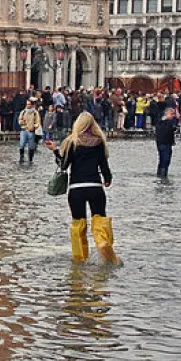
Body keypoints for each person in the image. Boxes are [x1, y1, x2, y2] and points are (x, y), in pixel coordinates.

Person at [46, 113, 117, 265]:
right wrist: (107, 179)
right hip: (95, 187)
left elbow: (63, 165)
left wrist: (55, 150)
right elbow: (104, 165)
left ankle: (79, 260)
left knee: (78, 224)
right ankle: (103, 244)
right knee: (100, 220)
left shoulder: (72, 142)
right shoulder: (99, 142)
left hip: (76, 188)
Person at [154, 106, 178, 178]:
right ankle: (163, 176)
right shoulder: (165, 122)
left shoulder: (161, 121)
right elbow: (166, 131)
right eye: (172, 114)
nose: (173, 116)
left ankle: (160, 175)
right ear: (167, 114)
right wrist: (173, 128)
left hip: (162, 143)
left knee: (162, 160)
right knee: (165, 160)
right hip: (164, 143)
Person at [17, 97, 42, 163]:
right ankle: (21, 157)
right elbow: (19, 120)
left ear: (32, 105)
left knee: (31, 146)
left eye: (29, 104)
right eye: (27, 104)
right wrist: (21, 122)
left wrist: (34, 126)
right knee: (22, 144)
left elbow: (38, 122)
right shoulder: (23, 112)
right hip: (24, 130)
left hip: (31, 131)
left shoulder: (35, 113)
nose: (28, 105)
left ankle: (30, 159)